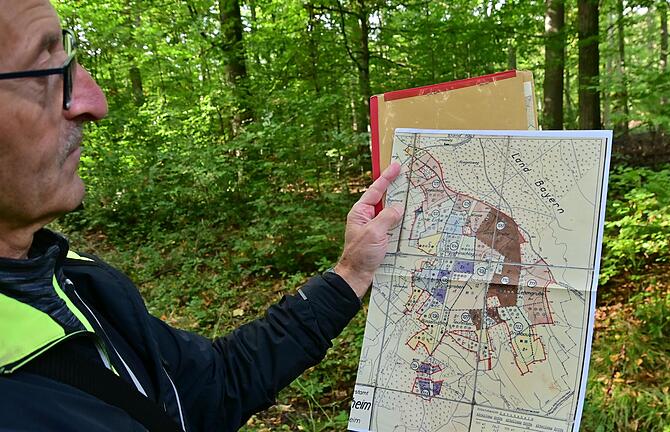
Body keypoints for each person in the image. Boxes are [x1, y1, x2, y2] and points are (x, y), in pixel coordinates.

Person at [0, 1, 404, 431]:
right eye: (48, 71)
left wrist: (350, 274)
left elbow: (214, 384)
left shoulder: (77, 278)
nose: (93, 101)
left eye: (70, 57)